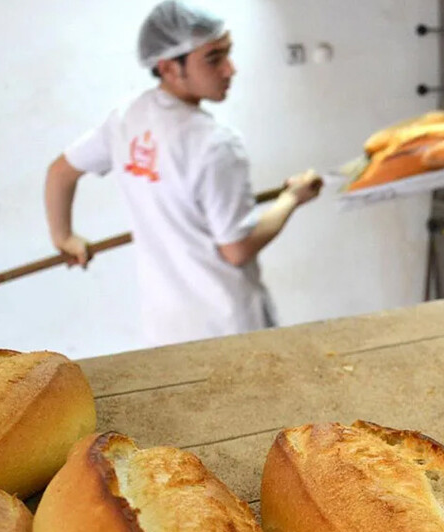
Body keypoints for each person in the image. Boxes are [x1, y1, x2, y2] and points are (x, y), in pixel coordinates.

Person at [44, 0, 321, 346]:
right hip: (228, 328)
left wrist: (63, 236)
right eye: (213, 58)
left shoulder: (127, 118)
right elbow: (237, 249)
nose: (230, 69)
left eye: (228, 53)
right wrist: (291, 198)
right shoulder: (215, 144)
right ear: (168, 67)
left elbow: (60, 172)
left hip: (167, 329)